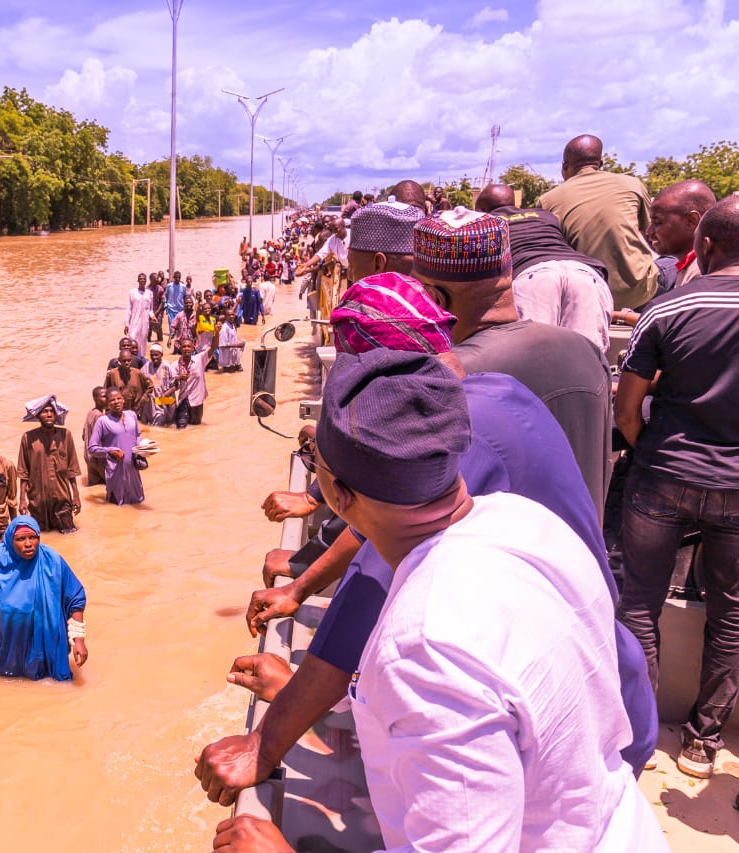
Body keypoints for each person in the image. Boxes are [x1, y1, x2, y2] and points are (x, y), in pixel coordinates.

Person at [215, 275, 655, 803]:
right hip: (603, 703)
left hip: (562, 764)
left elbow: (364, 597)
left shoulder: (421, 638)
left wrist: (264, 744)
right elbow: (376, 524)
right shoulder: (487, 439)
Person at [614, 196, 739, 779]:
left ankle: (635, 727)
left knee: (639, 599)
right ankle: (703, 741)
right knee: (730, 613)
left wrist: (644, 448)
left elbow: (627, 406)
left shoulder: (670, 306)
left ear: (706, 245)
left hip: (663, 473)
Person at [413, 207, 612, 521]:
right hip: (585, 563)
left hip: (503, 567)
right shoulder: (586, 351)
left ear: (434, 299)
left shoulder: (449, 376)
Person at [475, 183, 613, 351]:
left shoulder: (484, 224)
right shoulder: (546, 216)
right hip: (584, 273)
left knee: (533, 358)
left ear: (481, 210)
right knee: (588, 358)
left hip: (532, 277)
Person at [540, 134, 660, 310]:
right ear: (600, 164)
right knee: (671, 264)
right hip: (639, 292)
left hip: (588, 297)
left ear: (564, 166)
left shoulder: (548, 200)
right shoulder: (632, 184)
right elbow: (651, 235)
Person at [0, 516, 87, 681]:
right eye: (20, 539)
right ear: (10, 541)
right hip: (13, 644)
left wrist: (79, 640)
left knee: (56, 684)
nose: (28, 544)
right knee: (8, 679)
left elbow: (75, 597)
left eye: (33, 537)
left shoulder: (52, 561)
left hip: (49, 640)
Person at [17, 397, 82, 533]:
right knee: (40, 538)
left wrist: (76, 496)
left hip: (62, 499)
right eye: (45, 411)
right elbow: (23, 472)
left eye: (52, 411)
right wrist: (22, 499)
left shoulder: (65, 435)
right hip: (37, 502)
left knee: (69, 537)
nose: (49, 414)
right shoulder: (28, 438)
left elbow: (72, 469)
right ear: (38, 415)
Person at [644, 178, 716, 292]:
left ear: (692, 221)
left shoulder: (704, 272)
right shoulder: (693, 266)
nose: (649, 231)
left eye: (657, 222)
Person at [87, 388, 144, 506]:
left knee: (137, 504)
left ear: (123, 400)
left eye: (119, 398)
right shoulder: (103, 422)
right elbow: (92, 448)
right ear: (108, 404)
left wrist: (144, 447)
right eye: (112, 400)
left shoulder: (132, 415)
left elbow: (137, 435)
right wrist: (111, 451)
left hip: (133, 470)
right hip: (115, 472)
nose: (116, 402)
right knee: (116, 506)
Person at [174, 336, 210, 428]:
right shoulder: (175, 365)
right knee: (181, 428)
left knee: (196, 428)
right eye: (184, 347)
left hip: (197, 402)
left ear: (193, 347)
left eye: (189, 346)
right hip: (183, 400)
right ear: (180, 348)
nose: (186, 349)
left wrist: (216, 333)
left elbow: (213, 347)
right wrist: (179, 378)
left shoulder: (200, 359)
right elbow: (171, 383)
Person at [103, 349, 152, 414]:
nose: (127, 363)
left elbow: (150, 387)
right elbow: (105, 390)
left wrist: (141, 403)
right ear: (119, 361)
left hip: (134, 409)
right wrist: (108, 408)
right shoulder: (112, 374)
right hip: (117, 409)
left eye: (129, 360)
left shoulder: (138, 373)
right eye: (124, 361)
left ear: (131, 360)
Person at [140, 344, 176, 426]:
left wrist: (166, 393)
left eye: (156, 355)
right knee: (148, 423)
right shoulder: (147, 366)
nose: (154, 357)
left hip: (164, 399)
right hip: (151, 400)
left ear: (161, 355)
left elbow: (177, 385)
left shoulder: (167, 366)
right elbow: (140, 379)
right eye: (152, 355)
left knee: (164, 420)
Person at [81, 387, 108, 487]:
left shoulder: (90, 412)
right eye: (104, 396)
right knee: (111, 486)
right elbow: (104, 439)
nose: (107, 399)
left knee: (93, 485)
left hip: (89, 457)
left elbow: (84, 435)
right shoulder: (101, 417)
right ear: (95, 399)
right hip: (99, 458)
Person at [124, 273, 154, 359]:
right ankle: (130, 358)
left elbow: (150, 309)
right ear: (138, 280)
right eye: (140, 279)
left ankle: (141, 359)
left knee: (143, 341)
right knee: (132, 339)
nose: (142, 280)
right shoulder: (132, 292)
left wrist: (152, 316)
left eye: (144, 279)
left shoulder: (149, 293)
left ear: (146, 280)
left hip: (145, 323)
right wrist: (126, 324)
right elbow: (129, 309)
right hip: (134, 322)